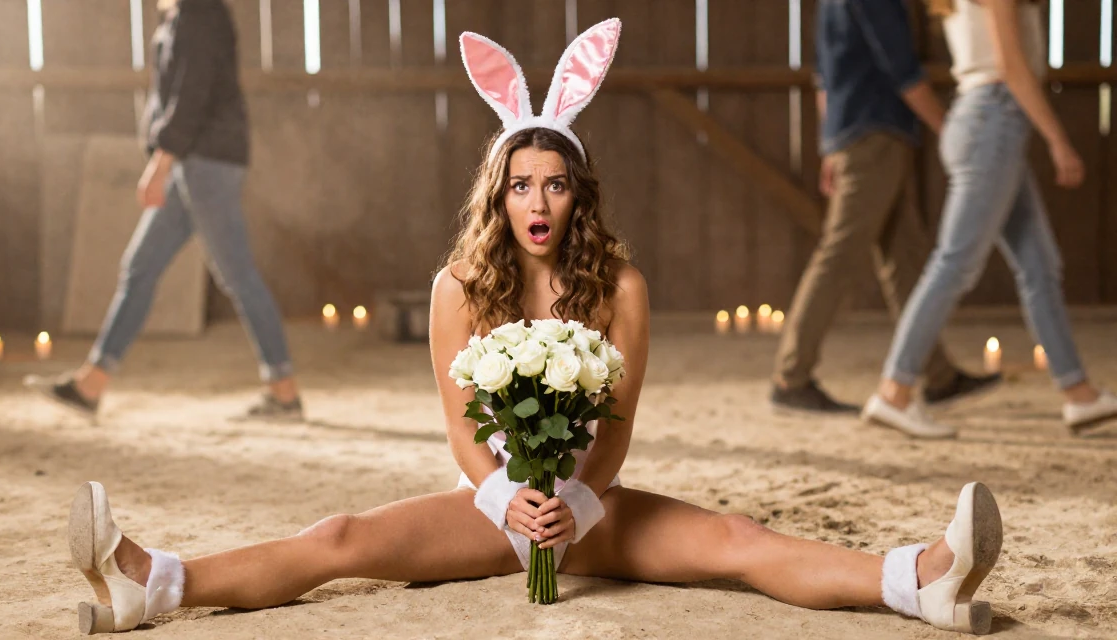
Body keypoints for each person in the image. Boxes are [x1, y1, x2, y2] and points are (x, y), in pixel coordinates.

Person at [62, 21, 1005, 636]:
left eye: (555, 183)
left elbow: (620, 423)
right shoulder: (458, 290)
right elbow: (466, 436)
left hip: (589, 509)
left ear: (577, 192)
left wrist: (579, 502)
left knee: (732, 539)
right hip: (497, 513)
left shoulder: (620, 287)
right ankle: (157, 582)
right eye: (520, 185)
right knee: (342, 538)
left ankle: (917, 578)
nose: (538, 201)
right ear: (499, 196)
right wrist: (509, 502)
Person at [27, 0, 302, 421]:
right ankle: (91, 384)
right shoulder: (180, 17)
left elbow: (191, 95)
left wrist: (159, 165)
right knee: (140, 267)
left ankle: (284, 393)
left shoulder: (200, 16)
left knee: (238, 276)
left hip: (204, 162)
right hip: (191, 162)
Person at [862, 0, 1117, 438]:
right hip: (994, 119)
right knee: (954, 264)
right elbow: (1012, 67)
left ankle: (1079, 395)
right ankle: (894, 392)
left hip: (986, 121)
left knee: (1039, 267)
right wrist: (1058, 140)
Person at [770, 0, 999, 418]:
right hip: (877, 134)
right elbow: (903, 71)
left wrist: (831, 146)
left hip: (857, 135)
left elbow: (825, 76)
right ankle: (792, 378)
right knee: (839, 255)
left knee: (904, 258)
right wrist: (952, 131)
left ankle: (938, 374)